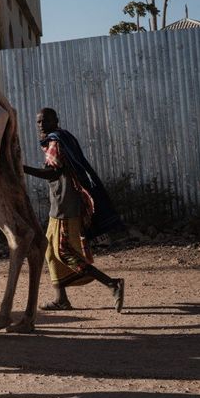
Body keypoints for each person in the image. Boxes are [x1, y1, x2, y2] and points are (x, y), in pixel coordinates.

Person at [23, 107, 125, 312]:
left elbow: (52, 173)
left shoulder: (56, 142)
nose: (41, 125)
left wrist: (22, 169)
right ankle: (61, 299)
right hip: (58, 204)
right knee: (49, 251)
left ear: (56, 120)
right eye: (39, 122)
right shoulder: (62, 138)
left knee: (63, 251)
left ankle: (112, 283)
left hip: (66, 206)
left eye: (45, 121)